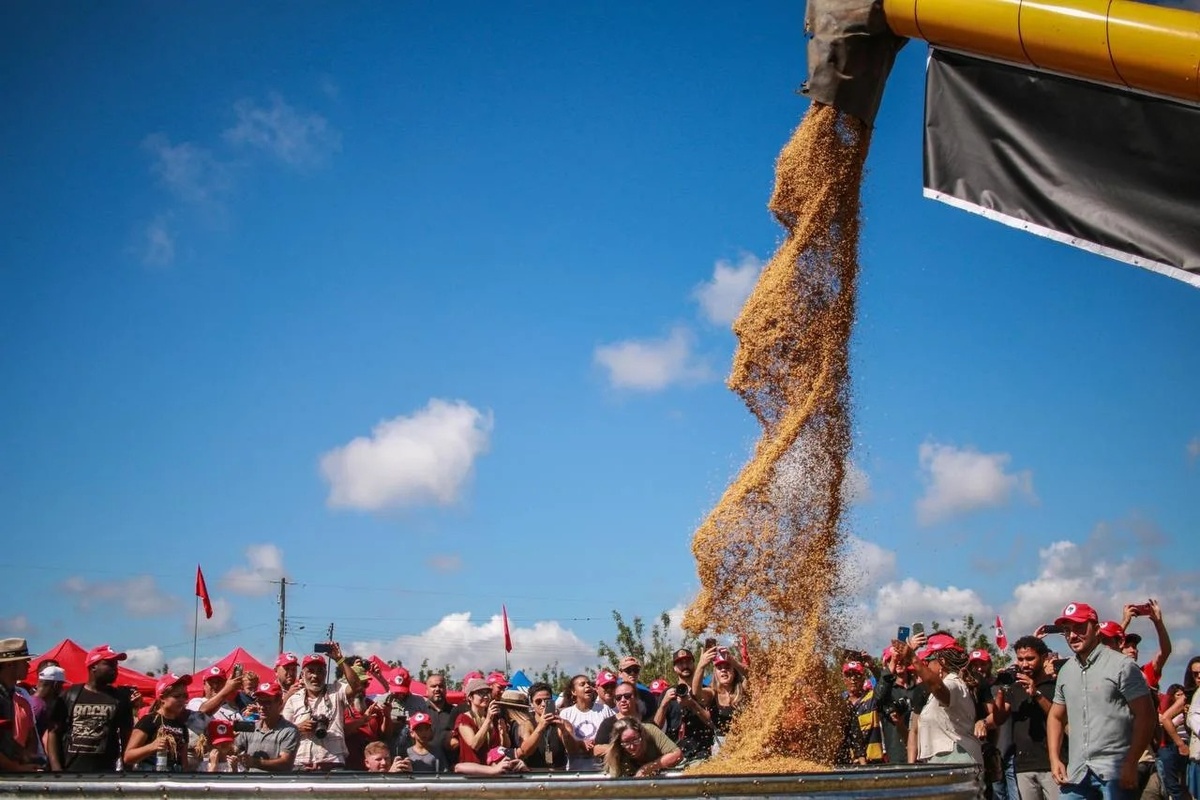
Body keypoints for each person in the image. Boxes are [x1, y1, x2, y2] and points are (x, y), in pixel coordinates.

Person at [1046, 601, 1156, 799]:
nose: (1072, 635)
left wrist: (1132, 762)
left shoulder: (1122, 665)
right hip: (1077, 773)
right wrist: (1054, 758)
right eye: (1067, 630)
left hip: (1115, 772)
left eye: (1080, 628)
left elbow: (1146, 716)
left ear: (1096, 629)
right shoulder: (1066, 671)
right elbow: (1055, 716)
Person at [893, 631, 981, 765]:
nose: (925, 665)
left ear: (941, 662)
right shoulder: (933, 694)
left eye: (928, 661)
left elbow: (939, 688)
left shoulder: (954, 683)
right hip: (945, 761)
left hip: (958, 760)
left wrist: (913, 658)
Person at [48, 644, 135, 772]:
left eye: (116, 665)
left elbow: (126, 736)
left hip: (105, 773)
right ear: (93, 666)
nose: (114, 669)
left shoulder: (120, 699)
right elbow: (53, 732)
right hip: (70, 770)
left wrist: (127, 770)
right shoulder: (70, 695)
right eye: (109, 664)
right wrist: (56, 768)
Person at [281, 643, 362, 770]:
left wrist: (339, 659)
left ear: (325, 674)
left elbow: (357, 686)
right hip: (301, 763)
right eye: (310, 671)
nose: (315, 676)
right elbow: (282, 733)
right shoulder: (293, 699)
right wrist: (298, 728)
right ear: (302, 675)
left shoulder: (336, 690)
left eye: (320, 671)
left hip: (332, 761)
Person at [1006, 635, 1062, 800]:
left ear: (1044, 658)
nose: (1024, 664)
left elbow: (1059, 718)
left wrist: (1036, 694)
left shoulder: (1056, 686)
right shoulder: (1015, 688)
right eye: (1020, 659)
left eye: (1030, 659)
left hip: (1052, 764)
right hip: (1024, 766)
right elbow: (999, 717)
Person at [653, 648, 714, 762]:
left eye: (688, 662)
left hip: (702, 753)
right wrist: (664, 704)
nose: (685, 666)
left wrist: (693, 704)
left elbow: (712, 723)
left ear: (694, 664)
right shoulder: (667, 693)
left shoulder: (705, 691)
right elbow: (656, 727)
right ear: (675, 668)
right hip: (675, 754)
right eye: (680, 663)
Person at [123, 673, 192, 772]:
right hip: (150, 776)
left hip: (174, 775)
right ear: (162, 698)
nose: (182, 700)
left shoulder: (182, 726)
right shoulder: (149, 720)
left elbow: (184, 764)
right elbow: (128, 757)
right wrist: (152, 747)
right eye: (177, 696)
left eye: (185, 696)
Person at [235, 681, 298, 772]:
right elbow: (233, 750)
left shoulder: (289, 731)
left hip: (275, 780)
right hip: (250, 780)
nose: (262, 707)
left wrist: (255, 762)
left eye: (267, 702)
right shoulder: (250, 727)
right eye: (259, 702)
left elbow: (285, 764)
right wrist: (228, 741)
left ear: (280, 703)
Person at [874, 645, 922, 765]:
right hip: (897, 755)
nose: (898, 662)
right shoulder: (885, 691)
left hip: (922, 753)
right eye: (892, 660)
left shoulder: (918, 687)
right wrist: (892, 663)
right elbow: (878, 699)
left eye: (901, 659)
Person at [691, 644, 749, 745]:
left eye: (727, 667)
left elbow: (752, 675)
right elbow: (696, 692)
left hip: (747, 740)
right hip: (723, 744)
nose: (723, 670)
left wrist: (734, 662)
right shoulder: (712, 693)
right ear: (715, 673)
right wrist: (701, 666)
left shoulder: (743, 689)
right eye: (719, 668)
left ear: (734, 671)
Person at [557, 674, 614, 771]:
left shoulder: (604, 709)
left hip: (602, 769)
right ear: (574, 692)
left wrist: (599, 743)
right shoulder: (566, 714)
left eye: (589, 684)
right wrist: (581, 744)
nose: (587, 686)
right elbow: (564, 741)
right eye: (582, 684)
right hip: (575, 770)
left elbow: (614, 735)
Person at [510, 682, 572, 770]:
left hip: (558, 773)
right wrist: (540, 727)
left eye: (547, 701)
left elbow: (573, 750)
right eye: (538, 701)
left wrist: (564, 731)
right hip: (534, 773)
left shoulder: (563, 723)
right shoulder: (526, 725)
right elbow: (525, 752)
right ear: (532, 703)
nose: (543, 704)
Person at [0, 638, 38, 772]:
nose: (29, 666)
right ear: (10, 664)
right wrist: (16, 767)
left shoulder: (14, 697)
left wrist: (24, 756)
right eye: (25, 661)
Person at [454, 677, 511, 765]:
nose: (486, 696)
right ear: (470, 697)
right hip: (473, 769)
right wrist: (488, 720)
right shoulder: (463, 719)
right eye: (481, 693)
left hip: (493, 768)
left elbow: (506, 746)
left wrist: (504, 733)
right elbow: (474, 745)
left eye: (487, 693)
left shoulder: (494, 717)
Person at [601, 717, 682, 778]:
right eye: (626, 743)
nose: (632, 747)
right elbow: (615, 783)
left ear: (642, 734)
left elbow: (677, 754)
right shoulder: (616, 753)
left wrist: (648, 768)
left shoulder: (650, 731)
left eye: (635, 740)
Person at [841, 659, 884, 764]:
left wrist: (873, 668)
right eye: (849, 675)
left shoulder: (872, 697)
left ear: (863, 678)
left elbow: (883, 685)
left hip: (873, 760)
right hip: (849, 762)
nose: (853, 679)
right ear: (844, 679)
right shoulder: (840, 703)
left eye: (857, 675)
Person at [422, 672, 459, 767]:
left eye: (441, 686)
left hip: (450, 766)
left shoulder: (456, 712)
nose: (437, 689)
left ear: (446, 689)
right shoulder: (420, 712)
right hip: (425, 766)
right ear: (426, 691)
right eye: (433, 686)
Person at [617, 657, 657, 721]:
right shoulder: (614, 694)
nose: (632, 673)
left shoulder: (647, 695)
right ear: (620, 673)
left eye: (636, 670)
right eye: (628, 670)